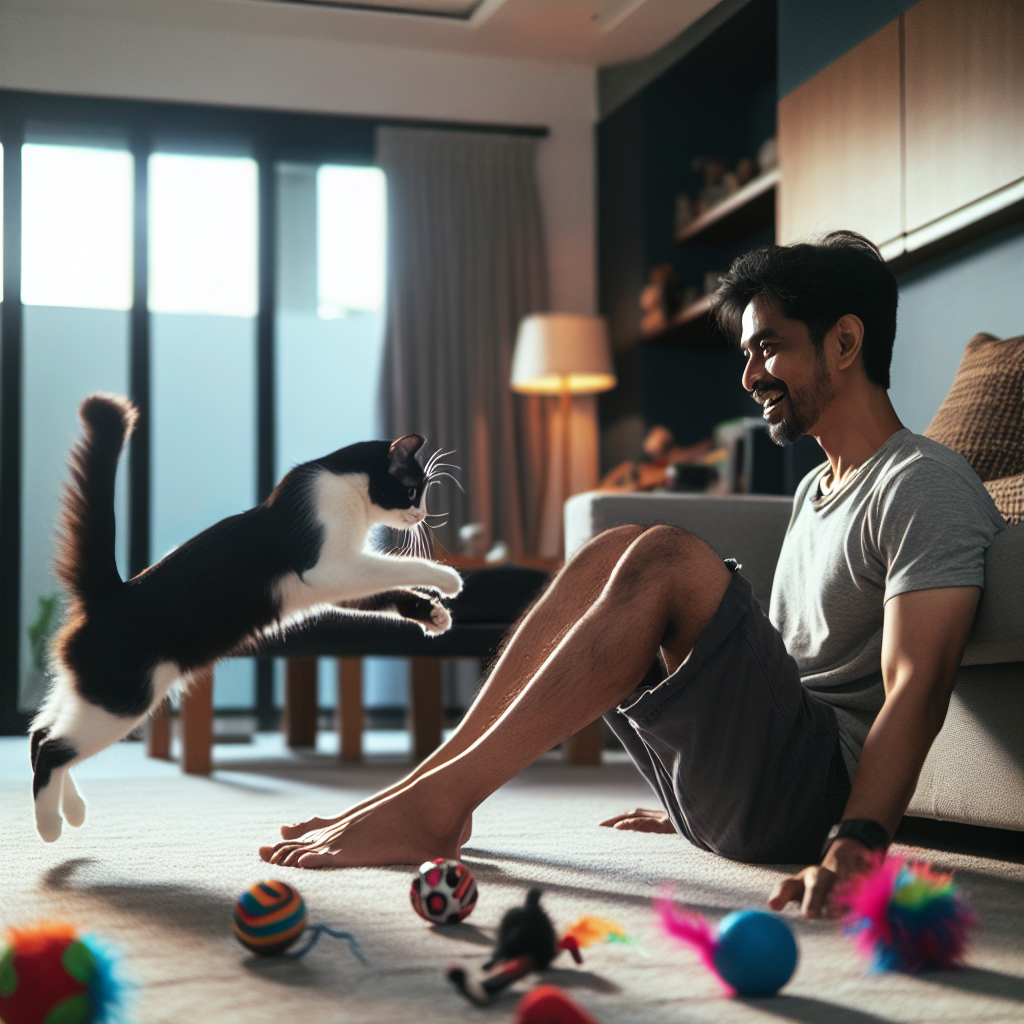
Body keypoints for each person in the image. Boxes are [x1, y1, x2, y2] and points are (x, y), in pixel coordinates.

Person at [260, 231, 1004, 918]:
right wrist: (698, 785)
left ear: (845, 341)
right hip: (767, 781)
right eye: (747, 353)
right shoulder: (817, 489)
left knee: (667, 557)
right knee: (613, 547)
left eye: (768, 348)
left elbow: (918, 685)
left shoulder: (923, 483)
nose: (749, 376)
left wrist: (853, 849)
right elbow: (778, 668)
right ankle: (427, 792)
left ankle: (434, 803)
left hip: (817, 800)